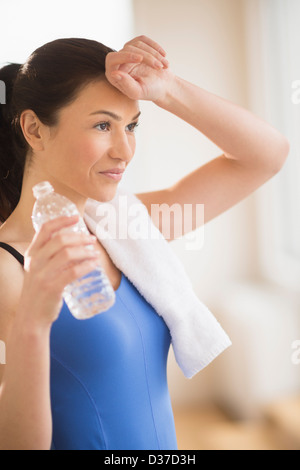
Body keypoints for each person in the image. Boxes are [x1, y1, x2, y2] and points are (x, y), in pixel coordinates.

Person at [0, 35, 289, 450]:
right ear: (34, 129)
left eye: (131, 125)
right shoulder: (8, 269)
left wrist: (168, 88)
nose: (125, 150)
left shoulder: (125, 228)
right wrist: (32, 320)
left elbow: (267, 155)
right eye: (103, 125)